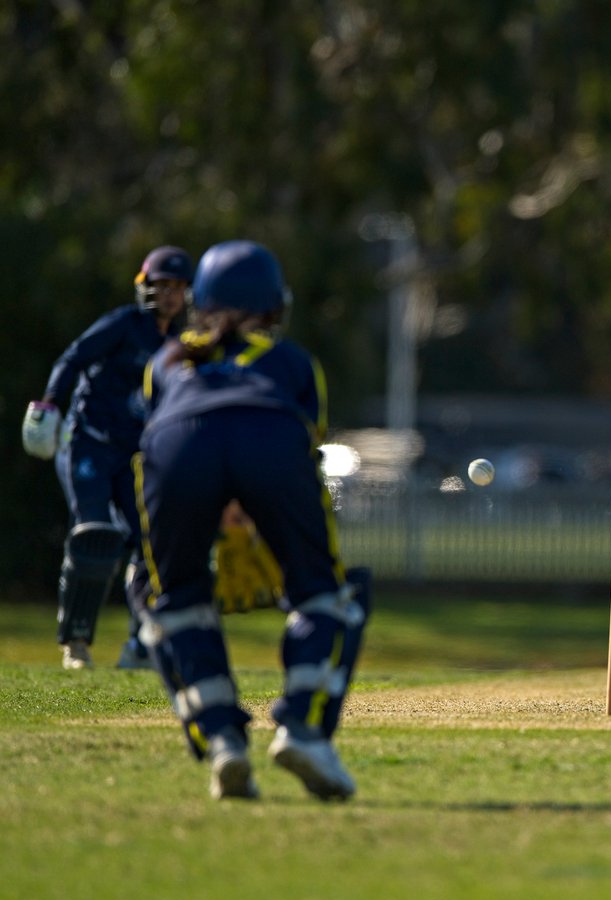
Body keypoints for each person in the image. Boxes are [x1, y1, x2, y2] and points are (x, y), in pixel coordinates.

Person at [135, 239, 368, 801]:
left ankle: (221, 741)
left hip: (174, 444)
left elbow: (163, 429)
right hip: (270, 434)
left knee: (171, 601)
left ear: (200, 302)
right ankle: (302, 729)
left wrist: (219, 500)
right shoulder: (293, 362)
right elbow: (304, 442)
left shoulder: (166, 361)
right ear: (274, 306)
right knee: (327, 594)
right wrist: (254, 510)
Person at [21, 246, 194, 671]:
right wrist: (49, 403)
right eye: (161, 285)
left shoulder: (177, 344)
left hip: (132, 455)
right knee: (94, 534)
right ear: (145, 287)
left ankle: (141, 644)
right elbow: (74, 356)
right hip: (88, 442)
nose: (169, 295)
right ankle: (76, 643)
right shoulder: (123, 324)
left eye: (177, 287)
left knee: (150, 541)